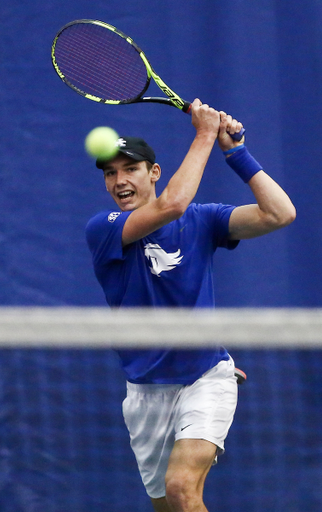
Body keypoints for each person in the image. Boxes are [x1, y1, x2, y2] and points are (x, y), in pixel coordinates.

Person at [85, 98, 296, 512]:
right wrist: (204, 133)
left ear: (154, 173)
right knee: (169, 505)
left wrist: (236, 153)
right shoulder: (104, 229)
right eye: (111, 173)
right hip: (145, 393)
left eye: (130, 169)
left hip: (205, 377)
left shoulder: (202, 221)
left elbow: (280, 214)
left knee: (182, 488)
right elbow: (171, 205)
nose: (119, 180)